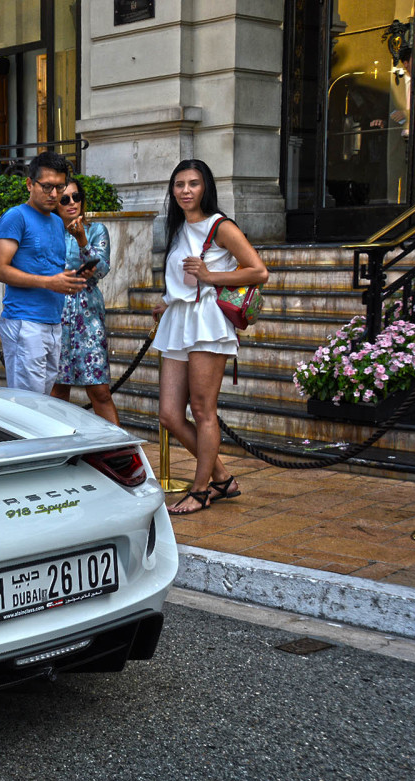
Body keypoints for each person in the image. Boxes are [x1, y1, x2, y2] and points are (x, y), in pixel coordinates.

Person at [151, 159, 267, 516]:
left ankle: (201, 490)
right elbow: (182, 280)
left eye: (193, 184)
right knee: (170, 414)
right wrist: (168, 302)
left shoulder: (220, 225)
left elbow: (258, 271)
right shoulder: (178, 228)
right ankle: (220, 477)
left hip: (207, 323)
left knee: (203, 410)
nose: (186, 191)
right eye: (179, 184)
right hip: (179, 319)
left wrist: (210, 274)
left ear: (206, 188)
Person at [0, 151, 88, 394]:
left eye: (59, 187)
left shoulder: (57, 221)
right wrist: (48, 283)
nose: (54, 194)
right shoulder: (16, 216)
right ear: (29, 184)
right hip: (25, 322)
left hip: (54, 322)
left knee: (42, 404)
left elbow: (46, 266)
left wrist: (69, 278)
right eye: (46, 187)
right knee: (28, 406)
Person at [49, 177, 119, 425]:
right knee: (58, 390)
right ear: (55, 203)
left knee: (99, 390)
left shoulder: (96, 230)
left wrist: (81, 240)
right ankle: (58, 450)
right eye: (64, 199)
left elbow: (101, 270)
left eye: (76, 197)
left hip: (87, 315)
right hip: (56, 312)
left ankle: (121, 454)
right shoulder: (50, 232)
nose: (71, 203)